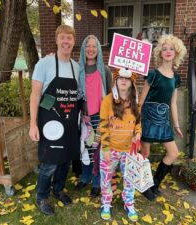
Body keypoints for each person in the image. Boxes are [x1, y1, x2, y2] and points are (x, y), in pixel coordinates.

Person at [29, 25, 80, 215]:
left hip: (69, 123)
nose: (66, 42)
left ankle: (58, 189)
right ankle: (42, 197)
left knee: (65, 160)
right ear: (57, 40)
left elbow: (78, 95)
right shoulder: (44, 64)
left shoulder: (76, 67)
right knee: (49, 162)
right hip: (49, 123)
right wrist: (33, 124)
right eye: (63, 38)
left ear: (74, 42)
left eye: (70, 38)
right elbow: (35, 95)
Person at [139, 34, 187, 201]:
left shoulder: (176, 78)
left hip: (163, 119)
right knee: (145, 153)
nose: (168, 51)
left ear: (176, 53)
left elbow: (173, 103)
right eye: (164, 49)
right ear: (160, 53)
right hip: (148, 117)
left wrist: (176, 125)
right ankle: (144, 186)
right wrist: (136, 121)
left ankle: (154, 184)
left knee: (173, 153)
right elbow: (141, 100)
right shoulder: (153, 74)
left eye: (171, 49)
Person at [99, 68, 141, 222]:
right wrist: (106, 148)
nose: (123, 80)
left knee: (130, 179)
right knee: (106, 178)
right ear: (115, 80)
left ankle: (129, 203)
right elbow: (103, 125)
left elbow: (138, 122)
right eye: (120, 77)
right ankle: (106, 202)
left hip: (129, 150)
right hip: (111, 149)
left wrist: (138, 133)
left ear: (132, 82)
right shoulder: (107, 100)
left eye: (127, 78)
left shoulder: (135, 101)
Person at [76, 35, 112, 198]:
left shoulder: (105, 70)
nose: (90, 49)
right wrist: (82, 111)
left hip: (100, 116)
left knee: (98, 148)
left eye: (94, 46)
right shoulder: (77, 69)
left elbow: (111, 95)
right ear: (83, 49)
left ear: (98, 49)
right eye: (87, 46)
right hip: (83, 116)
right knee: (85, 148)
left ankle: (97, 181)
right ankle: (85, 176)